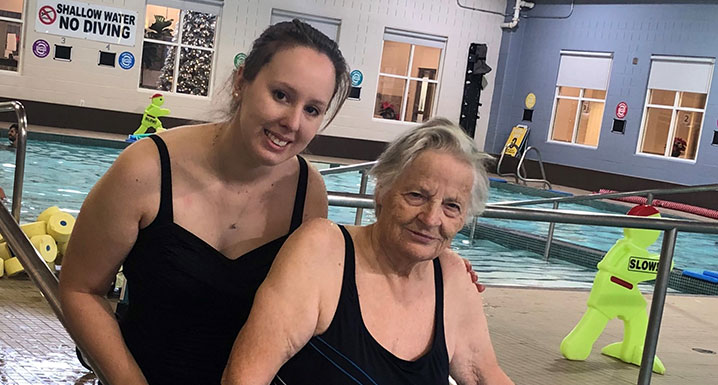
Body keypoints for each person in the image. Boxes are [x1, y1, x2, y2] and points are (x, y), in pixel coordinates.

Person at [58, 20, 351, 385]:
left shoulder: (308, 193)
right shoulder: (146, 168)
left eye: (312, 110)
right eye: (281, 95)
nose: (292, 122)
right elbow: (80, 289)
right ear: (241, 81)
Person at [222, 118, 514, 385]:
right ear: (382, 191)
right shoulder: (322, 252)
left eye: (452, 206)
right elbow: (244, 378)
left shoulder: (452, 277)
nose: (430, 218)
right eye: (416, 195)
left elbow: (483, 375)